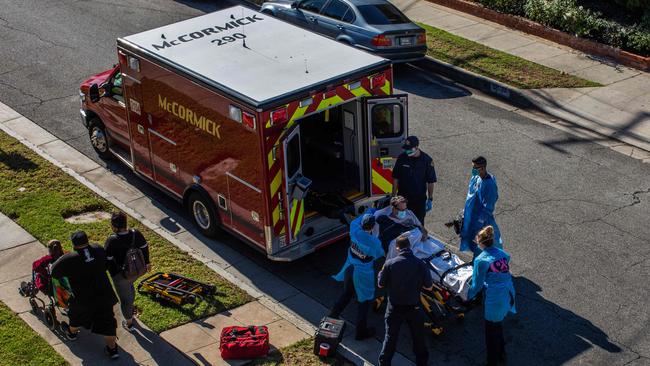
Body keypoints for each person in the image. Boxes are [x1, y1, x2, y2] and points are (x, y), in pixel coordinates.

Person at [50, 231, 120, 359]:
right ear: (87, 240)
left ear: (74, 244)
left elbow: (54, 272)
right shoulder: (98, 249)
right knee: (108, 323)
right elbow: (105, 264)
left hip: (83, 298)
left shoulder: (69, 259)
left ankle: (72, 333)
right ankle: (112, 350)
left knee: (76, 316)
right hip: (104, 295)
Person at [378, 234, 433, 366]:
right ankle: (422, 363)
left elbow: (380, 284)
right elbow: (429, 287)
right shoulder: (420, 264)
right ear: (410, 247)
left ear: (397, 248)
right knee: (418, 338)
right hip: (414, 307)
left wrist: (381, 274)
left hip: (394, 307)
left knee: (390, 338)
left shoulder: (389, 264)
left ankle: (384, 363)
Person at [330, 212, 385, 340]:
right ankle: (361, 331)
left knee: (346, 294)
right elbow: (379, 255)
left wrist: (370, 211)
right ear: (372, 228)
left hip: (350, 267)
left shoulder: (354, 228)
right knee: (364, 301)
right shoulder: (374, 242)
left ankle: (333, 315)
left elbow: (358, 219)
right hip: (363, 274)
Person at [467, 226, 516, 366]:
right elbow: (506, 260)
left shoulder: (481, 260)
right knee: (498, 325)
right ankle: (502, 354)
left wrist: (467, 296)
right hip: (508, 293)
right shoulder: (502, 253)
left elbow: (477, 284)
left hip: (495, 298)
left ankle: (492, 361)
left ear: (480, 243)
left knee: (490, 332)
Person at [104, 211, 151, 331]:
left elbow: (107, 259)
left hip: (122, 276)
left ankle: (129, 324)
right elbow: (144, 248)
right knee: (129, 287)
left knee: (125, 300)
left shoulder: (112, 240)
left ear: (114, 226)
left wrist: (114, 274)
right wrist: (147, 263)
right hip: (139, 270)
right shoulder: (136, 234)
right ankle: (131, 307)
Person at [460, 156, 502, 258]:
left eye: (475, 167)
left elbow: (488, 206)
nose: (473, 170)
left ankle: (488, 264)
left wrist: (479, 222)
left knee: (487, 243)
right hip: (472, 216)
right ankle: (477, 260)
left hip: (482, 220)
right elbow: (470, 195)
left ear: (482, 168)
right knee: (475, 243)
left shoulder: (489, 184)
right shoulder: (476, 177)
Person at [391, 136, 437, 225]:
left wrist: (430, 198)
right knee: (401, 223)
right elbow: (396, 178)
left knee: (418, 224)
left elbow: (430, 181)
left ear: (416, 147)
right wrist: (393, 195)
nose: (407, 151)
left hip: (418, 200)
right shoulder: (402, 158)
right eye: (406, 149)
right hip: (402, 199)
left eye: (409, 149)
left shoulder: (427, 160)